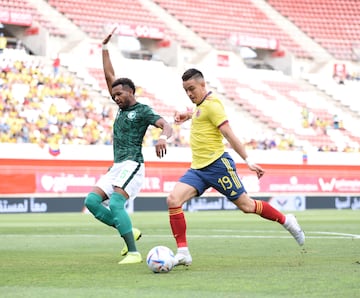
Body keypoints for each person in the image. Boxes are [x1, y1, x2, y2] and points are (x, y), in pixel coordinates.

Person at [167, 68, 305, 266]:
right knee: (173, 200)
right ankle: (183, 252)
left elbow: (229, 134)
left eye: (191, 89)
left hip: (218, 166)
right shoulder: (201, 105)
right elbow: (200, 112)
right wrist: (187, 115)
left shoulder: (213, 106)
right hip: (198, 169)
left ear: (202, 84)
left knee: (247, 206)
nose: (189, 94)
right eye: (186, 90)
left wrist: (248, 160)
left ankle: (287, 221)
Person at [84, 28, 172, 265]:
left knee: (114, 203)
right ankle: (128, 230)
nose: (116, 98)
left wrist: (163, 137)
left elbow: (166, 125)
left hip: (133, 163)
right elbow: (109, 74)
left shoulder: (142, 111)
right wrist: (103, 49)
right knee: (91, 202)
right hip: (117, 166)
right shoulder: (121, 108)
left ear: (131, 91)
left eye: (119, 94)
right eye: (113, 95)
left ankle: (133, 252)